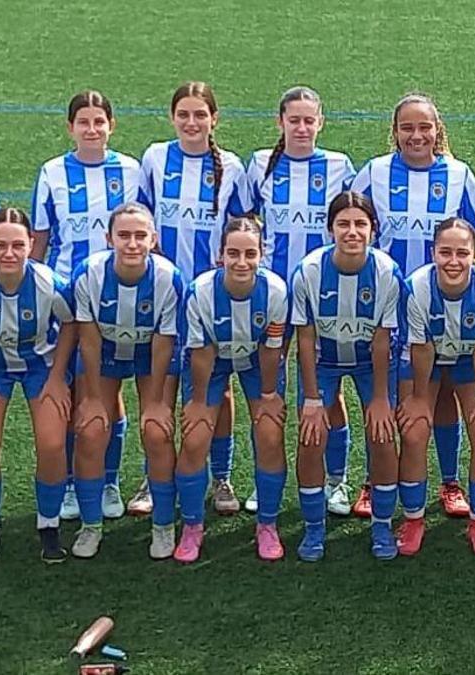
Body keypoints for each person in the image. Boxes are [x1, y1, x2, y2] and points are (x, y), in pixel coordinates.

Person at [351, 92, 475, 518]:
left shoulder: (459, 174)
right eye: (407, 127)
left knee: (443, 394)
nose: (416, 135)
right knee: (389, 397)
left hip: (445, 308)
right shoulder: (373, 173)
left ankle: (449, 483)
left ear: (437, 130)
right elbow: (352, 226)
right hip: (389, 307)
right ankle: (376, 481)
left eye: (424, 127)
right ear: (394, 132)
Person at [31, 90, 145, 521]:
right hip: (67, 297)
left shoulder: (131, 171)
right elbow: (40, 238)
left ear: (111, 126)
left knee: (106, 390)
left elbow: (145, 231)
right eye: (84, 122)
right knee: (76, 391)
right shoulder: (53, 172)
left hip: (120, 298)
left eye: (100, 122)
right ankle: (73, 484)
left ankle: (108, 479)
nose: (92, 130)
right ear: (70, 127)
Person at [141, 81, 252, 516]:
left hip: (213, 298)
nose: (191, 122)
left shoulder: (232, 167)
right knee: (160, 386)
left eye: (200, 115)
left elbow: (242, 227)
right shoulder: (154, 158)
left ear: (214, 119)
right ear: (173, 118)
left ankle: (221, 477)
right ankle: (153, 478)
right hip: (165, 295)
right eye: (183, 114)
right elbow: (141, 220)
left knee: (216, 388)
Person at [248, 86, 358, 516]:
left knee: (327, 391)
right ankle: (267, 479)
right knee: (268, 387)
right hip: (274, 295)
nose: (301, 127)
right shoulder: (259, 164)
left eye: (309, 120)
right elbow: (243, 218)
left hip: (324, 296)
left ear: (321, 123)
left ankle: (337, 480)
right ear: (280, 122)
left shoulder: (339, 166)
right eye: (293, 119)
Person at [0, 208, 76, 565]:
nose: (9, 253)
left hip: (41, 366)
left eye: (17, 245)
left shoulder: (50, 283)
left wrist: (56, 377)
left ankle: (48, 526)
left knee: (52, 443)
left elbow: (70, 325)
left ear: (30, 244)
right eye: (0, 245)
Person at [291, 191, 403, 561]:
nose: (352, 232)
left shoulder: (386, 271)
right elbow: (304, 340)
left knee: (383, 434)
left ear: (373, 230)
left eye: (360, 224)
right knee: (310, 436)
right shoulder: (309, 270)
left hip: (371, 362)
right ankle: (313, 527)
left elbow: (384, 340)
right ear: (330, 229)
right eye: (343, 224)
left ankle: (382, 524)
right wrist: (310, 399)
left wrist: (383, 399)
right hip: (323, 362)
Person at [71, 203, 183, 559]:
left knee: (156, 430)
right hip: (104, 353)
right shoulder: (89, 274)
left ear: (153, 239)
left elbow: (164, 343)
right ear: (109, 239)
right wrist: (88, 397)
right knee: (90, 429)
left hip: (150, 354)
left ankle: (163, 526)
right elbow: (87, 339)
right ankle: (91, 525)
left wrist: (156, 403)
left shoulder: (167, 277)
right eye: (123, 235)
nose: (132, 244)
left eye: (140, 236)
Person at [177, 217, 289, 562]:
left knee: (270, 433)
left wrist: (268, 396)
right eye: (233, 253)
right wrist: (197, 401)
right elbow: (202, 351)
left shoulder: (275, 291)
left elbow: (272, 348)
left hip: (257, 359)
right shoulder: (201, 292)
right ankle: (193, 526)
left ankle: (267, 525)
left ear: (262, 255)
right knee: (195, 436)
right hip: (212, 358)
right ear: (220, 255)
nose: (242, 262)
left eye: (250, 253)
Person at [397, 218, 475, 558]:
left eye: (462, 252)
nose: (453, 261)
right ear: (433, 253)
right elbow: (422, 348)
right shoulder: (417, 286)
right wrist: (416, 398)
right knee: (414, 430)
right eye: (445, 252)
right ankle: (414, 519)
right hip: (424, 359)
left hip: (469, 358)